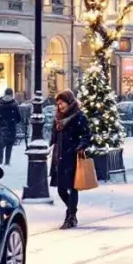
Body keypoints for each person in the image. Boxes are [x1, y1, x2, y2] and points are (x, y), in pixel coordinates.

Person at [49, 90, 91, 230]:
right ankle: (72, 211)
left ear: (69, 102)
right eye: (58, 104)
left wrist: (79, 147)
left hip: (72, 156)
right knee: (61, 189)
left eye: (62, 103)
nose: (60, 106)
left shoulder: (79, 117)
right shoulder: (58, 118)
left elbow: (86, 135)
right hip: (59, 156)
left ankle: (70, 216)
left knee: (73, 188)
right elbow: (54, 137)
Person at [0, 88, 20, 165]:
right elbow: (18, 118)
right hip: (11, 128)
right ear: (12, 94)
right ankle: (7, 162)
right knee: (9, 146)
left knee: (0, 146)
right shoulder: (14, 104)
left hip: (1, 128)